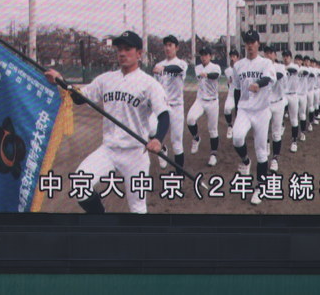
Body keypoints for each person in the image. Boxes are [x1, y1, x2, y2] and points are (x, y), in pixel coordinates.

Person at [43, 30, 169, 214]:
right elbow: (80, 98)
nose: (122, 53)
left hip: (135, 153)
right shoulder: (106, 79)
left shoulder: (149, 84)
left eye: (128, 49)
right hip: (109, 149)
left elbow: (164, 115)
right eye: (119, 49)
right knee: (80, 185)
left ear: (139, 53)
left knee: (138, 208)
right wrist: (61, 81)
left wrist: (157, 139)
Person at [231, 30, 275, 205]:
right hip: (244, 109)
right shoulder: (238, 65)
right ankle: (245, 161)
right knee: (237, 137)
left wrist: (258, 84)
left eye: (252, 41)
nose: (249, 45)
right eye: (247, 42)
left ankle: (260, 188)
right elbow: (236, 89)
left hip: (262, 111)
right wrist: (235, 112)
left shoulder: (265, 63)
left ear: (258, 43)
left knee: (262, 152)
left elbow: (267, 79)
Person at [150, 34, 188, 173]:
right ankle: (163, 149)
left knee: (177, 143)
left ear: (176, 48)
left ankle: (179, 176)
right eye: (165, 45)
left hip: (176, 107)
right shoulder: (158, 65)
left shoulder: (181, 63)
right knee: (151, 130)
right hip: (161, 107)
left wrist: (164, 69)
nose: (167, 48)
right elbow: (155, 86)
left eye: (170, 45)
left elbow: (177, 70)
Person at [186, 46, 222, 166]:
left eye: (206, 55)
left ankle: (213, 155)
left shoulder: (215, 67)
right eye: (202, 55)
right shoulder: (197, 68)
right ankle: (196, 138)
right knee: (190, 119)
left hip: (212, 102)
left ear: (210, 56)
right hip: (200, 100)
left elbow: (215, 76)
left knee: (213, 130)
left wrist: (206, 75)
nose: (203, 57)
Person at [263, 45, 288, 172]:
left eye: (271, 53)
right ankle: (267, 145)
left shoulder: (280, 67)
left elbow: (276, 76)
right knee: (264, 130)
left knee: (276, 133)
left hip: (278, 103)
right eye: (266, 53)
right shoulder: (261, 67)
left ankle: (275, 159)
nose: (268, 55)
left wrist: (262, 80)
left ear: (275, 55)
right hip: (266, 104)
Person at [284, 52, 303, 153]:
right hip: (284, 95)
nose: (285, 58)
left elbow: (293, 70)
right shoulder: (281, 67)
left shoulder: (295, 66)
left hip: (293, 95)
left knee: (294, 119)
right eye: (284, 56)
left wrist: (283, 69)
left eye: (287, 56)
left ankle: (294, 141)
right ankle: (282, 124)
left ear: (291, 58)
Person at [222, 48, 240, 139]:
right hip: (231, 94)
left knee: (240, 114)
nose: (232, 58)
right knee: (227, 109)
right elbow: (228, 83)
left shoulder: (241, 68)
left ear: (237, 58)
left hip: (240, 95)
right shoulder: (227, 71)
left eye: (234, 56)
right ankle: (230, 126)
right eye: (231, 56)